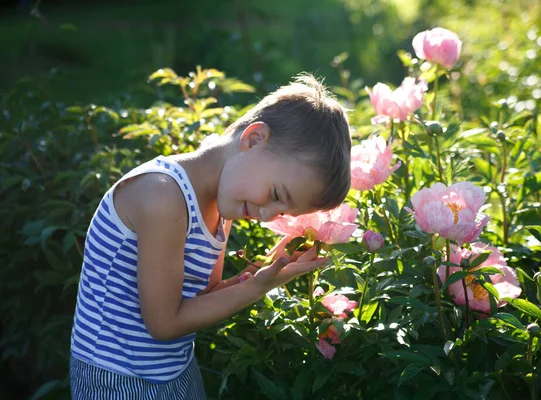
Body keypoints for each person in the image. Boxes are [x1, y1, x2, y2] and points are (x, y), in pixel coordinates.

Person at [69, 73, 352, 399]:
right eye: (276, 193)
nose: (267, 214)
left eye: (283, 213)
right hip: (116, 379)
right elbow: (163, 324)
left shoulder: (221, 204)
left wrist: (261, 274)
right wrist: (258, 288)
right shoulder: (163, 195)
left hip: (173, 371)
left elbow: (201, 298)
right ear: (255, 139)